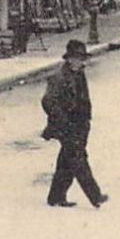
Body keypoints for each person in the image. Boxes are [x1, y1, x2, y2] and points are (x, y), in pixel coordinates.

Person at [41, 39, 108, 209]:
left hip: (80, 125)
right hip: (67, 127)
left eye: (81, 58)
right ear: (69, 58)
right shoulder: (59, 77)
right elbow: (48, 101)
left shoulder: (79, 74)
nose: (79, 62)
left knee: (66, 161)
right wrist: (62, 120)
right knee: (79, 160)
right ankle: (95, 196)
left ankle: (55, 197)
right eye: (76, 58)